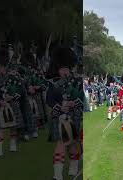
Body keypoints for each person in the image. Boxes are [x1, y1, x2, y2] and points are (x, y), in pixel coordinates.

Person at [46, 46, 81, 179]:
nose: (64, 71)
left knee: (73, 143)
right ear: (57, 68)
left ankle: (73, 165)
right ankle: (57, 175)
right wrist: (60, 106)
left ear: (70, 68)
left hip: (74, 115)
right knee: (60, 143)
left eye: (66, 68)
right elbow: (49, 99)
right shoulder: (53, 83)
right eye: (61, 69)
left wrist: (74, 103)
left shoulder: (77, 82)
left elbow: (82, 98)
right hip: (58, 116)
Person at [0, 48, 24, 157]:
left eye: (2, 66)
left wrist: (12, 97)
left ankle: (13, 144)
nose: (0, 69)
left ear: (6, 65)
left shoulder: (14, 75)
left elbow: (21, 90)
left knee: (13, 126)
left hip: (12, 104)